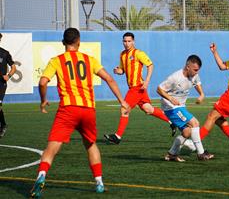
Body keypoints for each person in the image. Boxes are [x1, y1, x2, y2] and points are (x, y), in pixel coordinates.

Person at [30, 28, 129, 198]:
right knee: (90, 144)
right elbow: (109, 79)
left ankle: (41, 176)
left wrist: (43, 99)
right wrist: (122, 100)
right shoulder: (88, 59)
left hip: (68, 109)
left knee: (52, 146)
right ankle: (99, 183)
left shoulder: (57, 60)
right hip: (88, 109)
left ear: (63, 43)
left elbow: (43, 81)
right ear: (79, 42)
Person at [104, 32, 176, 144]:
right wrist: (118, 71)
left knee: (124, 109)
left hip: (137, 87)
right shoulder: (122, 54)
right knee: (148, 109)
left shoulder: (138, 53)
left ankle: (117, 136)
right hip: (137, 89)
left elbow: (150, 65)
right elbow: (122, 69)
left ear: (133, 42)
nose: (127, 43)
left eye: (129, 41)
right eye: (125, 41)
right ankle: (171, 121)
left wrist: (146, 82)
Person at [157, 54, 214, 162]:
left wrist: (201, 94)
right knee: (195, 123)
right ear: (187, 67)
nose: (196, 72)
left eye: (198, 70)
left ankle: (171, 154)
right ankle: (201, 153)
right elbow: (159, 89)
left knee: (187, 132)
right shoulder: (175, 77)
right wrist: (170, 98)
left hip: (180, 107)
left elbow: (197, 83)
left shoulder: (194, 75)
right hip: (170, 108)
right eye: (195, 70)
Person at [0, 33, 16, 138]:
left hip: (1, 84)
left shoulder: (5, 53)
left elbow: (14, 67)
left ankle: (3, 125)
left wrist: (8, 76)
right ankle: (3, 124)